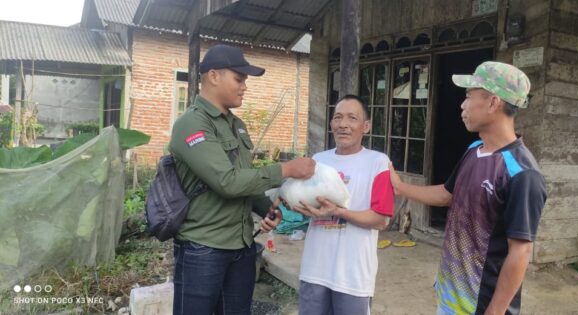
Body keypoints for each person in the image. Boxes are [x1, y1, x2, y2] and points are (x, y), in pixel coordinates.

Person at [168, 44, 316, 315]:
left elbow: (245, 179)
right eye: (239, 79)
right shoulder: (192, 124)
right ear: (213, 76)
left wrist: (266, 208)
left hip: (242, 246)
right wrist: (286, 170)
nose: (244, 86)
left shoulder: (236, 125)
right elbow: (228, 181)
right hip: (203, 248)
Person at [390, 62, 547, 315]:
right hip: (451, 295)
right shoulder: (474, 150)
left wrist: (494, 312)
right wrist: (399, 187)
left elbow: (520, 251)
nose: (462, 106)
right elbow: (447, 195)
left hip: (480, 303)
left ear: (493, 103)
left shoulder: (522, 173)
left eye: (468, 97)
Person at [291, 95, 395, 315]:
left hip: (353, 276)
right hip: (314, 269)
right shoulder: (318, 160)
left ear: (365, 126)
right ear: (331, 124)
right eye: (337, 118)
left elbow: (381, 219)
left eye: (352, 118)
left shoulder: (378, 162)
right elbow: (304, 200)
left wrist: (339, 212)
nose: (343, 124)